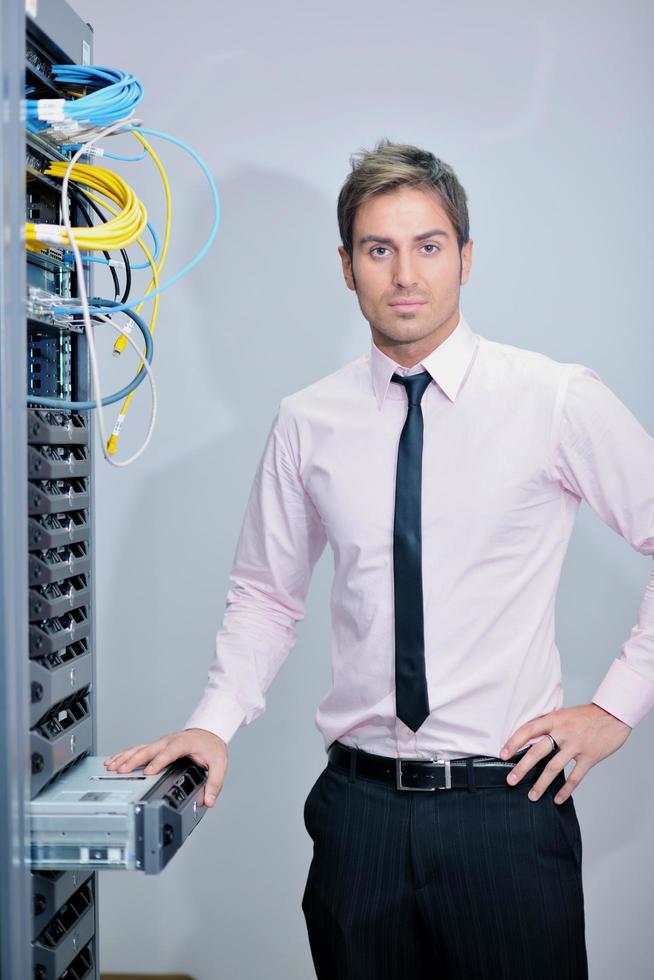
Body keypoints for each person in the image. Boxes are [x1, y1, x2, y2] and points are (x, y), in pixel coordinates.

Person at [105, 140, 654, 979]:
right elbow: (266, 596)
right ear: (346, 266)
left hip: (506, 812)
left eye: (429, 246)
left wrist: (616, 708)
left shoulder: (553, 399)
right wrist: (213, 723)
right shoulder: (306, 421)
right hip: (357, 816)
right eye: (378, 249)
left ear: (466, 258)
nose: (405, 273)